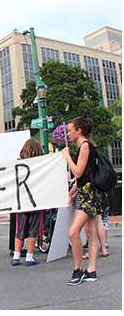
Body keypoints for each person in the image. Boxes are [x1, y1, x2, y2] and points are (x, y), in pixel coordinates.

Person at [62, 117, 102, 285]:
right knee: (90, 233)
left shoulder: (85, 146)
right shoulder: (85, 146)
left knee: (73, 232)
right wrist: (72, 193)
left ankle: (78, 269)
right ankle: (91, 270)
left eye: (70, 130)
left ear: (79, 131)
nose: (68, 133)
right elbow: (83, 177)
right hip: (89, 193)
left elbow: (78, 173)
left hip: (89, 196)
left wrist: (67, 157)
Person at [10, 139, 44, 267]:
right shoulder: (41, 165)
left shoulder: (18, 165)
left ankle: (16, 256)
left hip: (21, 201)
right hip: (35, 201)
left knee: (20, 229)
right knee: (33, 229)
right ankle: (29, 257)